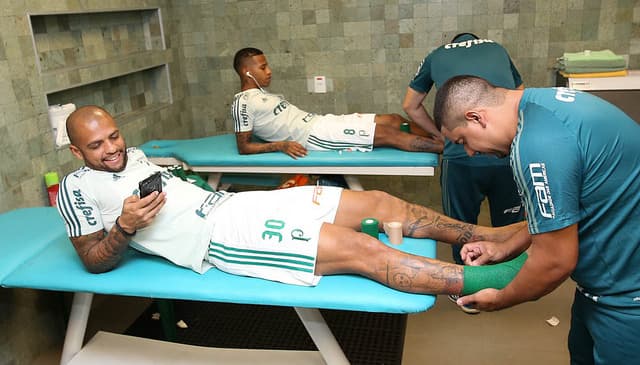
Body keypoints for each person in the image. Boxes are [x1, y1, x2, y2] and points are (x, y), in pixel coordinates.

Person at [57, 105, 528, 297]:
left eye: (114, 136)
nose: (113, 149)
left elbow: (184, 187)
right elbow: (93, 262)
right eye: (97, 147)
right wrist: (124, 226)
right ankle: (493, 280)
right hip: (219, 237)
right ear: (78, 152)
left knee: (379, 202)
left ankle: (495, 238)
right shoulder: (78, 189)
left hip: (234, 205)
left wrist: (207, 184)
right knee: (360, 249)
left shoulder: (135, 156)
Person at [434, 76, 640, 364]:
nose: (469, 152)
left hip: (626, 298)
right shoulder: (544, 105)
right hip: (601, 286)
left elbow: (555, 261)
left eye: (462, 140)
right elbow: (562, 209)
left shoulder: (536, 145)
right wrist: (505, 247)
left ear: (476, 117)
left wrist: (501, 299)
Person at [402, 33, 526, 312]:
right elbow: (519, 96)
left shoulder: (436, 53)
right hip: (506, 152)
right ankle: (504, 286)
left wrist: (447, 137)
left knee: (460, 225)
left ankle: (465, 289)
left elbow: (410, 105)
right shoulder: (497, 47)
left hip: (460, 163)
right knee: (510, 224)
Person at [230, 47, 443, 159]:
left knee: (393, 119)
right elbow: (244, 147)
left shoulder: (264, 95)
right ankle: (452, 148)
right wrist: (281, 145)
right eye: (263, 67)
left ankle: (443, 138)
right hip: (314, 137)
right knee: (386, 134)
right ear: (246, 72)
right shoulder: (243, 103)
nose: (269, 71)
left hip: (320, 122)